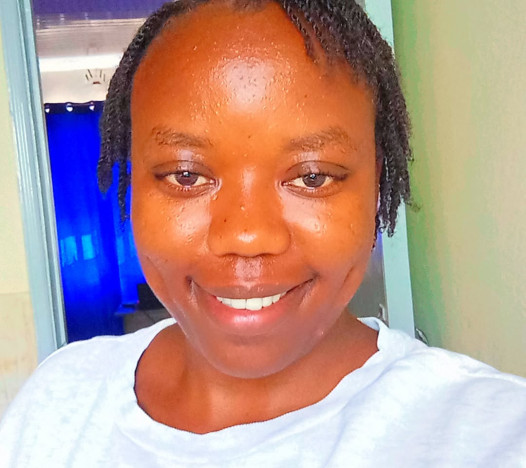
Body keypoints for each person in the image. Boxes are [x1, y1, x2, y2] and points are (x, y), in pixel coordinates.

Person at [1, 0, 525, 466]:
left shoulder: (491, 434)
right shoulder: (58, 399)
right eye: (186, 175)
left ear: (377, 186)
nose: (247, 236)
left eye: (312, 177)